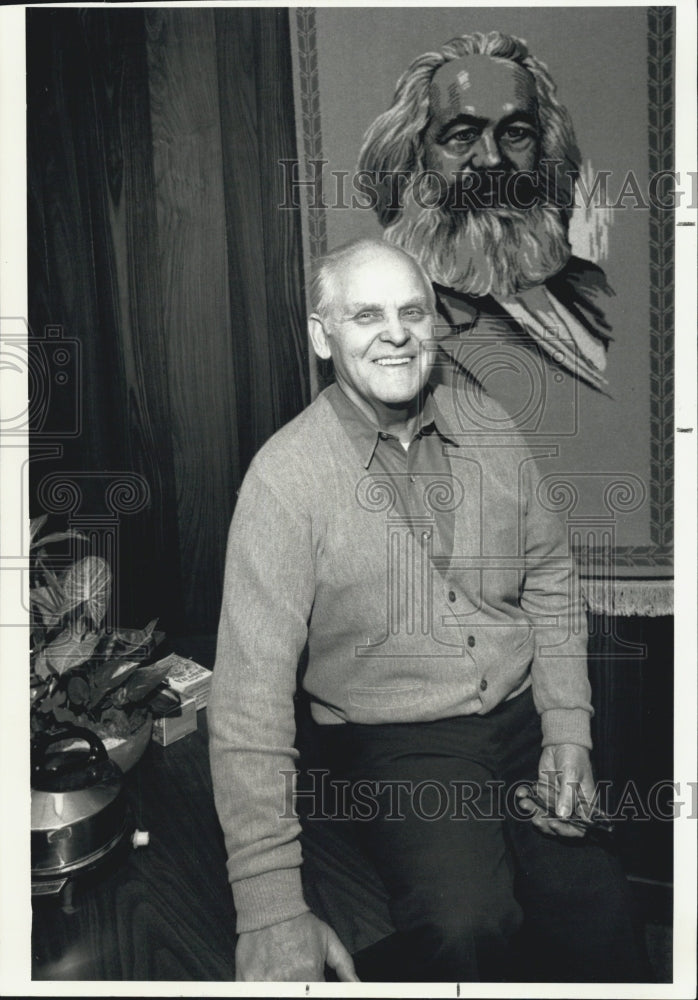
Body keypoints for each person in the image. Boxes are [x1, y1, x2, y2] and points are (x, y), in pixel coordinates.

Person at [208, 238, 646, 983]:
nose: (397, 332)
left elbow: (549, 572)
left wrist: (568, 727)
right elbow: (248, 699)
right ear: (322, 336)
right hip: (400, 743)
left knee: (601, 916)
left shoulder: (489, 427)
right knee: (467, 926)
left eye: (413, 312)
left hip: (520, 715)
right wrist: (270, 904)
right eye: (366, 314)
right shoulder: (284, 480)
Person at [357, 30, 614, 391]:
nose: (492, 159)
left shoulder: (596, 287)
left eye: (516, 133)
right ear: (415, 157)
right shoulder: (399, 326)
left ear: (544, 151)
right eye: (463, 135)